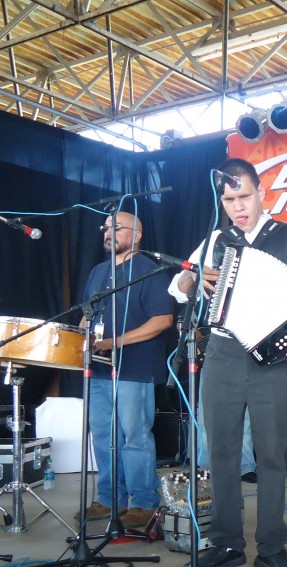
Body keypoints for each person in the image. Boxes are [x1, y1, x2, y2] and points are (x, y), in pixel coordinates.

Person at [169, 157, 287, 567]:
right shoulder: (216, 238)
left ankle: (272, 546)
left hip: (269, 358)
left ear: (261, 193)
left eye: (244, 196)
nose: (237, 206)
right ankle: (226, 542)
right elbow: (177, 286)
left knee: (271, 453)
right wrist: (194, 278)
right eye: (229, 198)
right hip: (220, 353)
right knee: (220, 453)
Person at [83, 211, 175, 529]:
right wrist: (81, 335)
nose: (109, 232)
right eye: (106, 228)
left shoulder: (150, 271)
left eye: (117, 228)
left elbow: (163, 320)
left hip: (135, 369)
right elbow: (87, 315)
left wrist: (114, 342)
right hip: (98, 369)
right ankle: (110, 498)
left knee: (134, 437)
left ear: (136, 235)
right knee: (103, 435)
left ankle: (144, 502)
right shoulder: (98, 272)